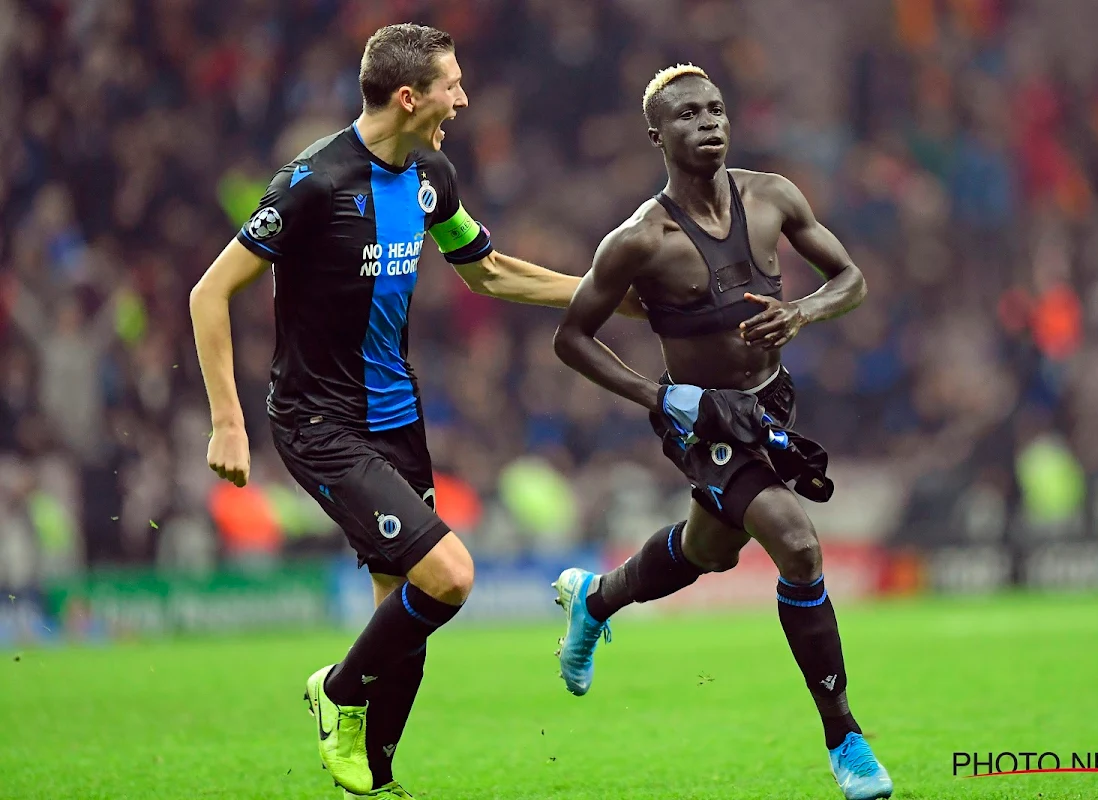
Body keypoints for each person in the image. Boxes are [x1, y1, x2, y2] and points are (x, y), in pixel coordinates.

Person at [189, 23, 640, 799]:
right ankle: (336, 692)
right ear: (410, 96)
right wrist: (228, 420)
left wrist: (598, 294)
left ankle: (377, 778)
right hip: (318, 423)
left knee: (402, 611)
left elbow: (488, 271)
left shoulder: (431, 174)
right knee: (451, 576)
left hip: (399, 420)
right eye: (452, 84)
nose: (463, 98)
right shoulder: (313, 183)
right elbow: (209, 292)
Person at [551, 64, 893, 800]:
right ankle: (847, 740)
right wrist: (661, 398)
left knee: (708, 550)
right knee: (797, 547)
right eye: (687, 114)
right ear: (657, 136)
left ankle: (597, 599)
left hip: (770, 404)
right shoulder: (638, 240)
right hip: (701, 421)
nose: (707, 122)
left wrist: (802, 312)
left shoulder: (773, 196)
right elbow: (571, 337)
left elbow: (850, 279)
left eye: (715, 109)